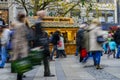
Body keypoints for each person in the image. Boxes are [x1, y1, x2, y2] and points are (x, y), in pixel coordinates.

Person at [34, 10, 55, 77]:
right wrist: (42, 43)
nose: (45, 15)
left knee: (45, 59)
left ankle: (47, 72)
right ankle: (47, 73)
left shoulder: (39, 21)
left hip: (41, 43)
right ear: (41, 14)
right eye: (44, 14)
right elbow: (39, 34)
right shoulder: (39, 22)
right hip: (42, 44)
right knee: (45, 59)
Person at [11, 12, 28, 80]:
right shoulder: (21, 25)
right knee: (21, 63)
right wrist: (23, 49)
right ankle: (19, 78)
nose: (25, 19)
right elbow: (21, 37)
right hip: (20, 46)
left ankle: (19, 77)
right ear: (22, 18)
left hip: (16, 45)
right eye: (24, 17)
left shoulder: (16, 25)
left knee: (19, 62)